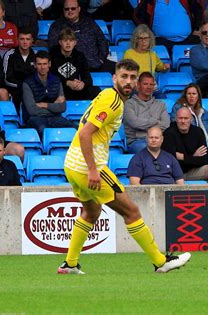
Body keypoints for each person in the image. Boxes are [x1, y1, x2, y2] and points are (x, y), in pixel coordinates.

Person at [58, 59, 190, 275]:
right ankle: (160, 261)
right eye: (124, 77)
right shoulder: (111, 100)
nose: (128, 81)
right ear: (114, 78)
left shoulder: (112, 98)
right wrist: (92, 170)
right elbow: (84, 133)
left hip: (72, 165)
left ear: (137, 82)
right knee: (131, 211)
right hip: (88, 167)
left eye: (132, 78)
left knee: (91, 212)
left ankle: (70, 264)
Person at [48, 0, 115, 73]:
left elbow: (102, 41)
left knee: (121, 69)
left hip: (95, 63)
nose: (70, 11)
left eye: (73, 8)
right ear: (63, 10)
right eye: (67, 9)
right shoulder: (56, 26)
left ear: (79, 9)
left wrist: (101, 59)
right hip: (71, 68)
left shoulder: (89, 22)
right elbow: (54, 49)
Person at [22, 50, 76, 137]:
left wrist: (45, 105)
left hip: (55, 118)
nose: (42, 67)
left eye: (45, 64)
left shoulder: (57, 81)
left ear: (49, 64)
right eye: (39, 64)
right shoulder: (27, 83)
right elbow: (32, 110)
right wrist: (54, 106)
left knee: (74, 129)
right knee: (44, 130)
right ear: (35, 65)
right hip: (35, 119)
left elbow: (62, 107)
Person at [162, 107, 208, 183]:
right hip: (174, 174)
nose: (183, 121)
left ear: (191, 119)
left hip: (192, 171)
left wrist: (182, 157)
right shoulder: (168, 134)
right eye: (180, 118)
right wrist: (193, 157)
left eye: (186, 118)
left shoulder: (198, 132)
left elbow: (204, 160)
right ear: (176, 119)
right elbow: (172, 164)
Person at [170, 83, 208, 154]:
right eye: (189, 94)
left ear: (198, 96)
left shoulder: (203, 112)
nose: (191, 96)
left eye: (194, 94)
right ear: (185, 96)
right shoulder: (179, 108)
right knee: (206, 146)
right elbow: (175, 125)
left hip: (204, 141)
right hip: (187, 141)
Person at [124, 72, 170, 154]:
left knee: (171, 146)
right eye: (145, 84)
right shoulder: (129, 104)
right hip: (136, 142)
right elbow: (135, 123)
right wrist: (155, 121)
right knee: (148, 149)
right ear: (138, 85)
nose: (149, 87)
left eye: (151, 84)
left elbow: (166, 125)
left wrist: (142, 128)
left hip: (157, 140)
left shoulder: (161, 104)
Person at [132, 0, 203, 54]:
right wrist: (147, 32)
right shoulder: (150, 1)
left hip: (187, 40)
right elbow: (137, 16)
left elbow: (199, 10)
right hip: (161, 41)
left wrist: (196, 28)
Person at [49, 27, 101, 101]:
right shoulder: (52, 56)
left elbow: (88, 78)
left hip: (75, 89)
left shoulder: (80, 56)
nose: (68, 43)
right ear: (60, 42)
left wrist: (82, 84)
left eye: (71, 40)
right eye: (65, 40)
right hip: (59, 89)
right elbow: (50, 77)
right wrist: (67, 82)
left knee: (95, 90)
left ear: (75, 43)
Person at [3, 27, 36, 112]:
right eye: (22, 39)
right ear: (17, 40)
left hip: (33, 89)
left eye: (28, 39)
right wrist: (23, 86)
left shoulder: (36, 56)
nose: (25, 42)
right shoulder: (9, 55)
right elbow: (7, 79)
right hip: (15, 90)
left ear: (32, 40)